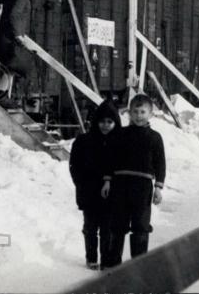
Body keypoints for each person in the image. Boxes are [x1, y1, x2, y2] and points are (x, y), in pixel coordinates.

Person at [101, 93, 166, 268]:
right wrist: (107, 181)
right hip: (120, 185)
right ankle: (113, 266)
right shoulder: (120, 135)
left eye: (143, 112)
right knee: (117, 225)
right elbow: (110, 159)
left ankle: (139, 266)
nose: (139, 116)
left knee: (141, 226)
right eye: (135, 112)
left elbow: (160, 163)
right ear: (129, 113)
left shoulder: (155, 137)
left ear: (150, 114)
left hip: (143, 187)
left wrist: (158, 187)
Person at [69, 100, 122, 270]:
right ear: (95, 121)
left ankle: (106, 260)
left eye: (110, 122)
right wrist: (81, 185)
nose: (105, 126)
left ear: (116, 123)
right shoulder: (84, 141)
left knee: (107, 228)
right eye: (102, 121)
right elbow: (74, 166)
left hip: (110, 194)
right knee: (90, 227)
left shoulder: (119, 142)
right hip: (89, 192)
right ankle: (91, 258)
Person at [0, 0, 46, 107]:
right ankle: (1, 95)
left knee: (10, 67)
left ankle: (1, 95)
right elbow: (15, 14)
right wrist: (18, 35)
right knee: (13, 67)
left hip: (4, 34)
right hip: (12, 37)